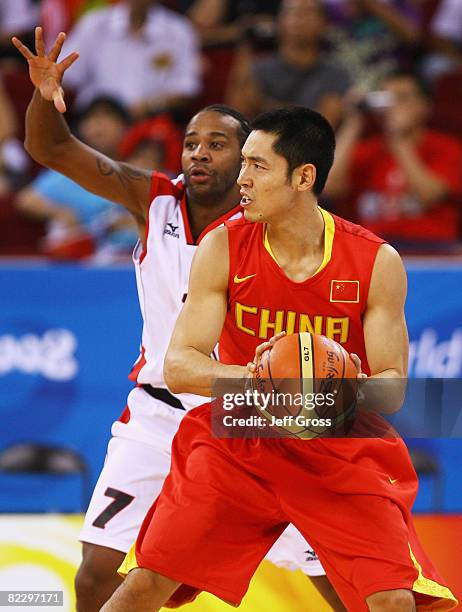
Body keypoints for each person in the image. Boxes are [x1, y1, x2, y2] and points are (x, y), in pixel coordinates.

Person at [12, 27, 345, 612]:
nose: (198, 153)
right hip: (159, 414)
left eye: (217, 144)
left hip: (250, 415)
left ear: (247, 161)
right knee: (94, 577)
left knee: (337, 579)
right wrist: (43, 95)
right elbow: (53, 150)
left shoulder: (275, 225)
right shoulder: (153, 199)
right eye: (191, 142)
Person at [101, 107, 457, 611]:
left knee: (394, 601)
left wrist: (324, 392)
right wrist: (264, 381)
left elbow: (394, 386)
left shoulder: (375, 261)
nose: (241, 179)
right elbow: (180, 365)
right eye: (242, 164)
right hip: (240, 437)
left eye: (257, 167)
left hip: (339, 448)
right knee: (142, 586)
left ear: (303, 177)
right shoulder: (223, 245)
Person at [324, 71, 462, 253]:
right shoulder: (368, 149)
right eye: (387, 98)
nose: (393, 106)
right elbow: (328, 188)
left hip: (431, 249)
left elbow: (429, 195)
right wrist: (353, 123)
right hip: (375, 249)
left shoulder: (447, 148)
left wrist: (398, 140)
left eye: (402, 98)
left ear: (424, 106)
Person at [15, 96, 137, 260]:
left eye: (107, 117)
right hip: (81, 261)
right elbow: (26, 199)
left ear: (126, 127)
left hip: (130, 259)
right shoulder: (70, 170)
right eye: (91, 118)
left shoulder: (138, 171)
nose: (98, 125)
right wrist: (61, 212)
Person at [60, 0, 201, 117]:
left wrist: (148, 106)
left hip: (148, 123)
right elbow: (66, 75)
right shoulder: (95, 23)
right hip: (94, 119)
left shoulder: (178, 30)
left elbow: (185, 90)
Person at [227, 0, 351, 128]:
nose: (299, 19)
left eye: (308, 12)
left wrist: (264, 105)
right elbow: (237, 119)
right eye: (292, 12)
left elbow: (323, 125)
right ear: (278, 21)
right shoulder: (258, 68)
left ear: (324, 24)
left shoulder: (336, 73)